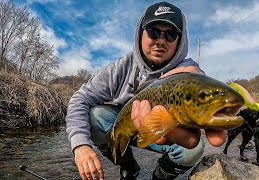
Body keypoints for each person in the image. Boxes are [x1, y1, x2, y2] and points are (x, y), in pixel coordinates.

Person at [66, 1, 227, 180]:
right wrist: (80, 146)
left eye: (170, 35)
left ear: (180, 41)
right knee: (94, 116)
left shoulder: (188, 74)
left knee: (194, 148)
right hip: (125, 127)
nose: (160, 40)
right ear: (140, 34)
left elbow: (202, 96)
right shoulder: (121, 68)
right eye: (153, 32)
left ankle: (160, 175)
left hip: (162, 134)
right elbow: (79, 99)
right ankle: (128, 165)